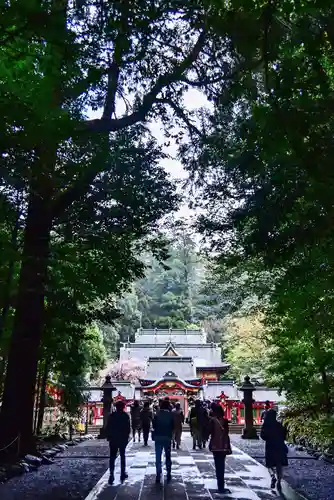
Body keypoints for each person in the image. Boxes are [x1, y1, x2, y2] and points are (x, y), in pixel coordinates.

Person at [260, 409, 288, 491]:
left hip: (270, 447)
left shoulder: (266, 425)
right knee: (279, 465)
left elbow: (263, 436)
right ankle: (279, 481)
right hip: (280, 446)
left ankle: (272, 476)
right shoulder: (279, 425)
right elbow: (284, 435)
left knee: (269, 465)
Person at [105, 400, 130, 485]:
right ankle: (122, 473)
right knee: (122, 455)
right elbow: (127, 429)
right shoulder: (125, 416)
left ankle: (111, 473)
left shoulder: (112, 416)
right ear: (123, 407)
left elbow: (108, 427)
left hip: (113, 438)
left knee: (112, 456)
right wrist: (127, 437)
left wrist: (108, 436)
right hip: (122, 438)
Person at [208, 403, 231, 494]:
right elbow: (227, 432)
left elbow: (209, 432)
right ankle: (221, 486)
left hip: (215, 445)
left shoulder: (212, 421)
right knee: (221, 466)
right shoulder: (225, 421)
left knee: (218, 466)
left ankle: (220, 485)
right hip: (224, 445)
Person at [152, 399, 174, 483]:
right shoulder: (170, 415)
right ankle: (168, 472)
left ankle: (158, 473)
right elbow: (172, 426)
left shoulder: (156, 414)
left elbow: (154, 425)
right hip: (167, 437)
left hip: (158, 437)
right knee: (168, 455)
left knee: (158, 456)